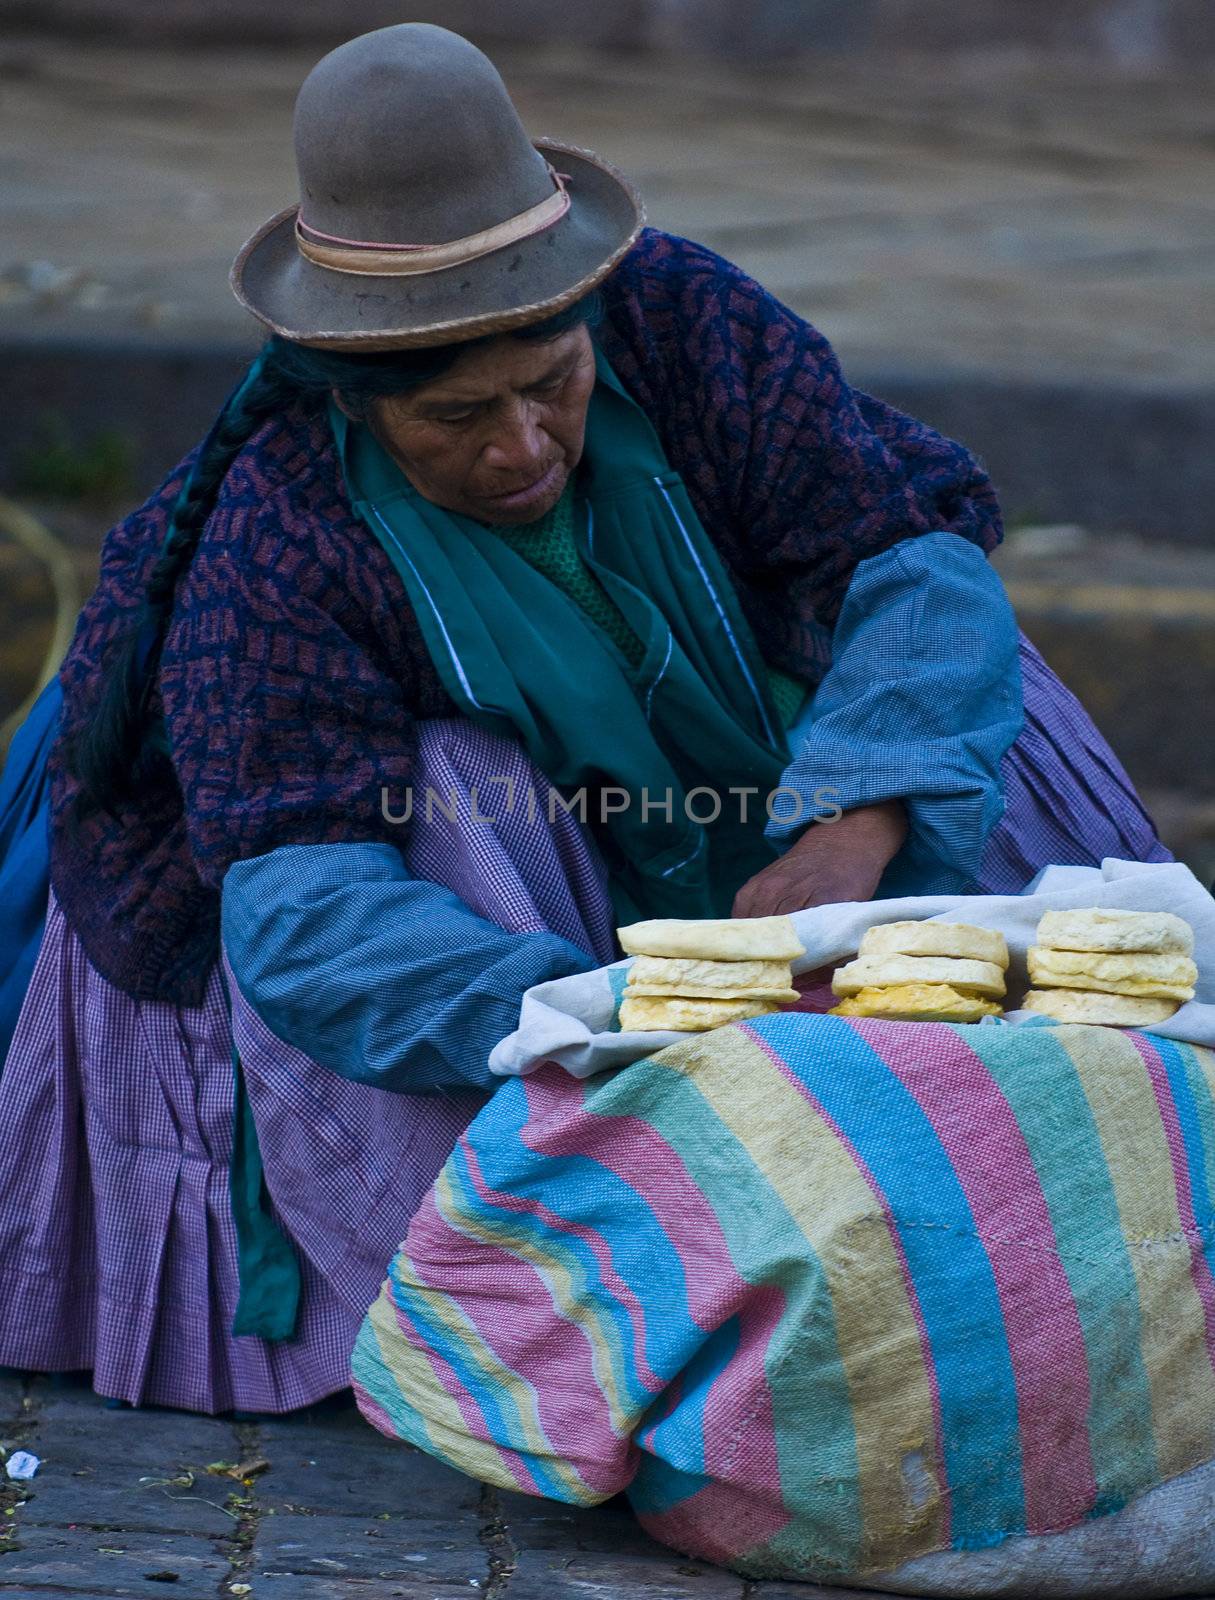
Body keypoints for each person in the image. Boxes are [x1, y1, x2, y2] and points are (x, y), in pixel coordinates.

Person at [0, 24, 1168, 1415]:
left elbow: (905, 554)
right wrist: (601, 1012)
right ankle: (579, 1272)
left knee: (968, 669)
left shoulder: (684, 324)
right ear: (363, 404)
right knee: (456, 786)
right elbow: (307, 915)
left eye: (551, 385)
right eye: (456, 417)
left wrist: (854, 826)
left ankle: (1020, 1149)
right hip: (489, 906)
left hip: (728, 781)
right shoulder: (277, 538)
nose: (522, 447)